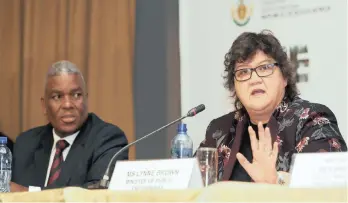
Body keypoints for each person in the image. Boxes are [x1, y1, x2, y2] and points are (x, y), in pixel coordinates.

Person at [196, 30, 347, 184]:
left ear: (285, 78)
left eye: (265, 68)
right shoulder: (219, 130)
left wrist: (276, 181)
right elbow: (189, 186)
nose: (254, 79)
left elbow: (328, 185)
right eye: (243, 72)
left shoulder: (312, 120)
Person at [11, 60, 128, 191]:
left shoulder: (108, 139)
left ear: (86, 99)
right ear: (44, 106)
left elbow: (96, 195)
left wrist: (26, 193)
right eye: (57, 96)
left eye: (76, 95)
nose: (68, 105)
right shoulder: (26, 143)